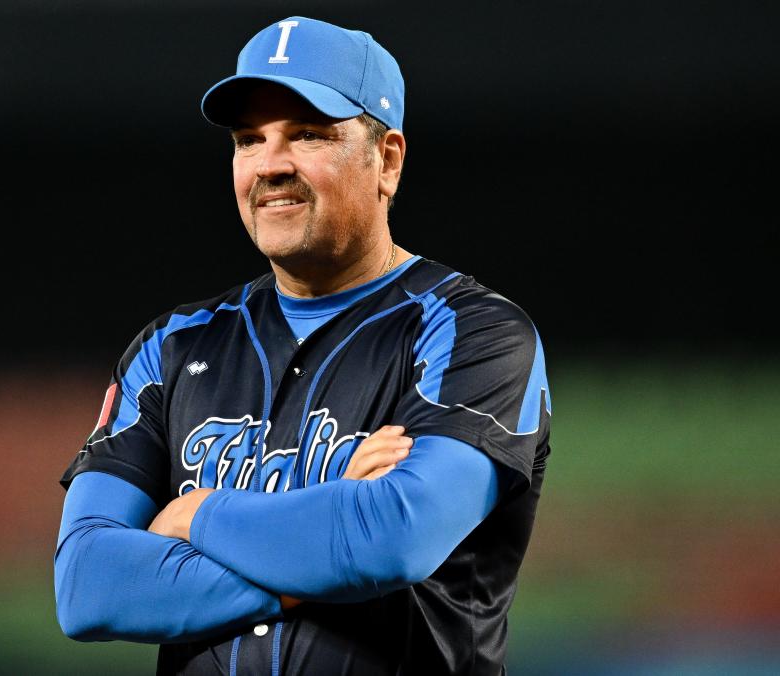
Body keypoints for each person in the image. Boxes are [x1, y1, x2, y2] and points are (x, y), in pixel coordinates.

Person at [55, 16, 551, 676]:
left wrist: (198, 513)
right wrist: (322, 540)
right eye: (248, 139)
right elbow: (87, 586)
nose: (270, 164)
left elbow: (391, 538)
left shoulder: (472, 331)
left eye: (308, 134)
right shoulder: (173, 347)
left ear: (388, 160)